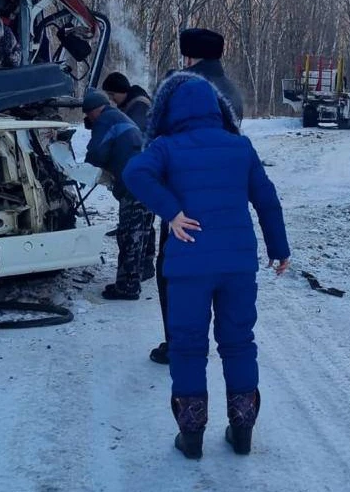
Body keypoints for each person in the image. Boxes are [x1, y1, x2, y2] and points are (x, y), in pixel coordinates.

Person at [123, 72, 290, 460]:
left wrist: (171, 213)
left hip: (187, 267)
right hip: (237, 265)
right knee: (238, 343)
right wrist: (279, 248)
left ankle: (192, 437)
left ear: (171, 109)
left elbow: (134, 173)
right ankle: (243, 430)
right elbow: (267, 200)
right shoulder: (240, 146)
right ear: (218, 109)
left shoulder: (166, 146)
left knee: (187, 347)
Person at [147, 28, 246, 366]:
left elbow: (160, 140)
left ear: (189, 56)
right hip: (224, 201)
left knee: (173, 272)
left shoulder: (181, 87)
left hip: (183, 199)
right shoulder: (232, 90)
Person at [83, 89, 156, 300]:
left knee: (129, 234)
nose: (89, 120)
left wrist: (84, 169)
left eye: (89, 115)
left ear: (95, 110)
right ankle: (142, 271)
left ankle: (127, 287)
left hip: (134, 183)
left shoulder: (106, 119)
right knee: (142, 229)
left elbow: (97, 153)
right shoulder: (119, 116)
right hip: (150, 177)